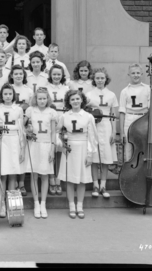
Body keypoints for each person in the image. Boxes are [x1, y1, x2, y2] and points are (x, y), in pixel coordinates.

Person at [57, 90, 98, 219]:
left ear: (82, 100)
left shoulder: (88, 116)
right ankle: (71, 206)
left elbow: (92, 137)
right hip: (69, 149)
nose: (75, 101)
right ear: (69, 101)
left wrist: (90, 154)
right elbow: (57, 132)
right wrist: (61, 145)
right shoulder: (64, 116)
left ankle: (79, 205)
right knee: (70, 179)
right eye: (72, 99)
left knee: (82, 180)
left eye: (77, 99)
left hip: (83, 148)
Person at [0, 83, 26, 218]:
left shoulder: (18, 109)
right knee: (2, 174)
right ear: (1, 95)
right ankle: (2, 205)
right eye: (5, 94)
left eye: (10, 94)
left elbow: (21, 130)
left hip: (15, 142)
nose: (8, 96)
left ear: (14, 95)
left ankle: (11, 204)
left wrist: (22, 148)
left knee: (12, 173)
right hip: (2, 141)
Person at [24, 87, 57, 218]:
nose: (42, 101)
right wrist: (28, 130)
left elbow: (54, 132)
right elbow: (23, 125)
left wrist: (53, 149)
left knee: (45, 176)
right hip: (34, 145)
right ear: (35, 99)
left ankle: (43, 203)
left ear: (47, 99)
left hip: (46, 145)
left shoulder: (52, 112)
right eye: (39, 98)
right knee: (34, 175)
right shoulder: (30, 110)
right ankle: (36, 203)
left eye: (44, 98)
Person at [86, 67, 119, 199]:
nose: (100, 80)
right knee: (94, 157)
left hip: (106, 126)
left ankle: (103, 186)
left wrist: (114, 131)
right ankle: (95, 185)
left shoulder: (111, 95)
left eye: (102, 78)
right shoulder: (88, 95)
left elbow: (113, 114)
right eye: (97, 78)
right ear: (94, 79)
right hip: (93, 125)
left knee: (105, 158)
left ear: (106, 79)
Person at [119, 63, 152, 162]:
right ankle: (129, 172)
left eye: (138, 73)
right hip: (129, 118)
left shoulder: (147, 88)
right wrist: (122, 132)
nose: (136, 75)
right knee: (129, 146)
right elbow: (122, 112)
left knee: (143, 145)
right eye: (133, 73)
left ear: (141, 74)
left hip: (144, 118)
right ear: (129, 75)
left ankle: (142, 171)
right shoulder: (124, 91)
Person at [8, 64, 33, 196]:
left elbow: (31, 108)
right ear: (12, 75)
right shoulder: (8, 89)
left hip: (24, 122)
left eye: (21, 74)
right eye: (16, 73)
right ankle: (14, 182)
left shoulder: (28, 90)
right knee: (13, 154)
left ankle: (22, 183)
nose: (18, 76)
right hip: (12, 124)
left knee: (23, 153)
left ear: (24, 76)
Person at [45, 64, 70, 196]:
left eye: (58, 74)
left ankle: (58, 180)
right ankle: (50, 179)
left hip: (62, 120)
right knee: (50, 151)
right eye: (54, 74)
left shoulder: (66, 88)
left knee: (60, 150)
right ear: (50, 75)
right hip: (49, 121)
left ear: (62, 75)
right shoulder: (45, 88)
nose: (56, 76)